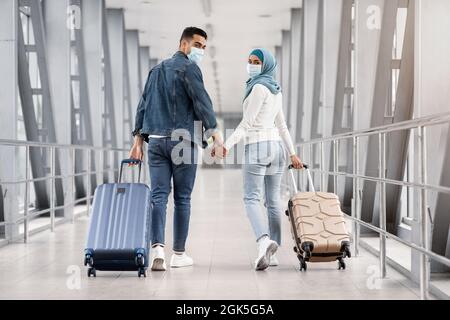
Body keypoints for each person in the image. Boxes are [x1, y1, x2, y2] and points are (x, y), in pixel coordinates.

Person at [129, 27, 223, 271]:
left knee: (158, 195)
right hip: (183, 141)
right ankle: (178, 254)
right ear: (184, 45)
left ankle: (157, 248)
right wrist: (216, 136)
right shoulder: (190, 68)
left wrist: (137, 141)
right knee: (182, 198)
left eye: (204, 47)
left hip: (157, 140)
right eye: (198, 45)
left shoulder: (156, 70)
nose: (201, 50)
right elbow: (202, 102)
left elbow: (142, 107)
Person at [216, 48, 303, 271]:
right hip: (277, 149)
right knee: (273, 201)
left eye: (256, 62)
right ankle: (274, 254)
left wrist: (226, 145)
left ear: (266, 65)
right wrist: (292, 153)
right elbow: (282, 125)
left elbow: (247, 124)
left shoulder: (257, 88)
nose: (252, 64)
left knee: (251, 199)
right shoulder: (276, 90)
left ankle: (264, 241)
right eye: (250, 61)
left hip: (258, 147)